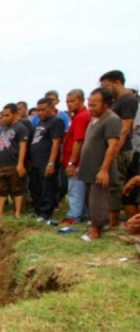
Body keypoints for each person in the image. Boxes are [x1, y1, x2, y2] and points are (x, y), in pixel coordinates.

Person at [78, 88, 121, 240]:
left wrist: (104, 170)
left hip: (100, 169)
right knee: (90, 198)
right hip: (89, 168)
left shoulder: (111, 120)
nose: (90, 109)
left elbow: (113, 146)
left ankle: (97, 231)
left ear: (106, 104)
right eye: (89, 105)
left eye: (94, 105)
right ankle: (93, 226)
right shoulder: (94, 119)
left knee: (98, 200)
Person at [99, 70, 139, 227]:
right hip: (113, 148)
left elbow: (125, 128)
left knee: (117, 183)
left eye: (106, 85)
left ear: (117, 82)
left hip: (121, 150)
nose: (105, 89)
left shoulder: (128, 100)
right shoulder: (117, 101)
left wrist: (115, 151)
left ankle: (113, 221)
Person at [29, 97, 65, 223]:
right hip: (36, 162)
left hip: (46, 161)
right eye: (38, 110)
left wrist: (51, 163)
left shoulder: (56, 121)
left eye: (43, 110)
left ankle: (45, 213)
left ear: (51, 108)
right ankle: (37, 210)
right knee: (36, 188)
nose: (39, 113)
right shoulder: (40, 122)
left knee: (47, 188)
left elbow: (56, 143)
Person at [0, 103, 29, 218]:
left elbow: (23, 146)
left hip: (14, 163)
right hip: (2, 164)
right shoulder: (3, 129)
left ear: (15, 114)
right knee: (1, 189)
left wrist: (20, 164)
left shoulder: (21, 128)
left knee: (17, 189)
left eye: (7, 115)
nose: (4, 118)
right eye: (3, 115)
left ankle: (18, 212)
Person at [62, 89, 91, 224]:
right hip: (80, 160)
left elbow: (78, 141)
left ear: (81, 100)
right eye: (67, 101)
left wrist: (71, 163)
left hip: (76, 161)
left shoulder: (81, 117)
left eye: (73, 101)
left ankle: (74, 216)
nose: (69, 104)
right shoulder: (79, 116)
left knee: (75, 190)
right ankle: (82, 213)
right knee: (80, 190)